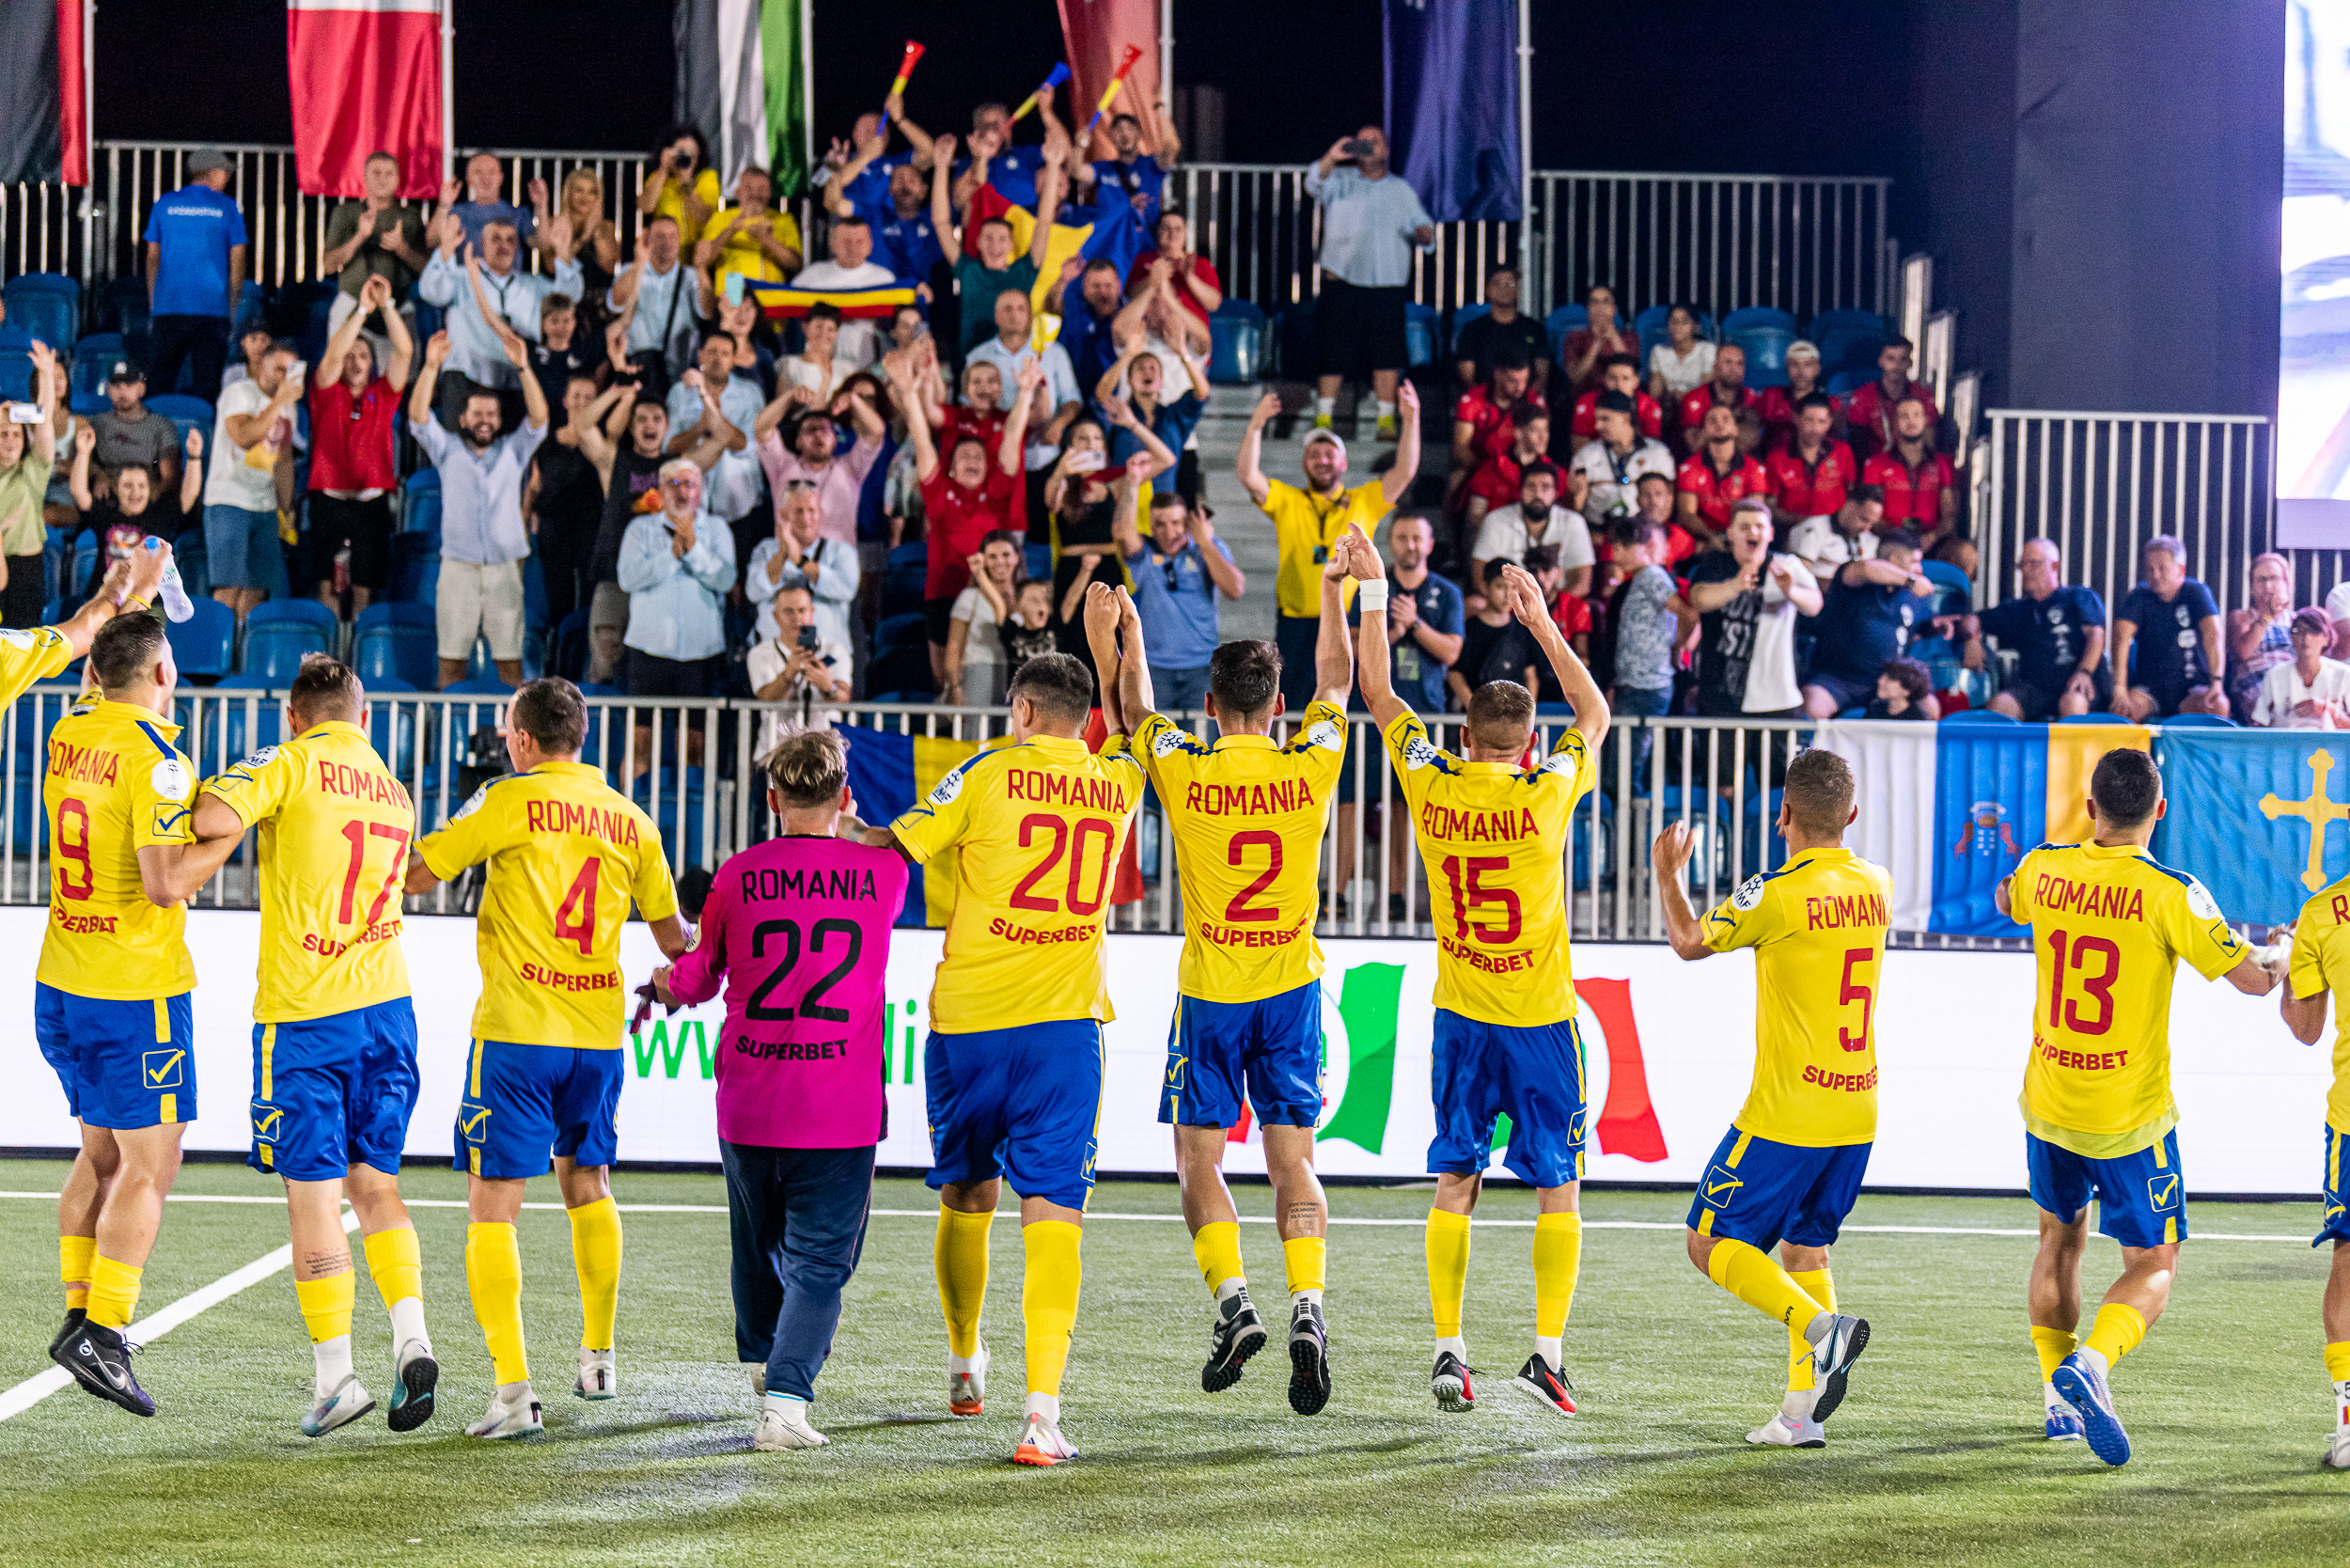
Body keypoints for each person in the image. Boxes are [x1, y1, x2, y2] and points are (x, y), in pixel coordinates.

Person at [838, 646, 1145, 1466]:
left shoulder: (985, 775)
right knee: (1054, 1210)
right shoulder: (1119, 782)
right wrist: (1121, 644)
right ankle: (1041, 1418)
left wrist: (842, 826)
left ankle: (965, 1361)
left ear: (1020, 713)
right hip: (1063, 1032)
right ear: (1085, 720)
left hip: (968, 1024)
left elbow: (890, 846)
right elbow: (1139, 723)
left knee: (968, 1192)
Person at [1350, 539, 1607, 1416]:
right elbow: (1596, 715)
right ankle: (1546, 1354)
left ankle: (1449, 1350)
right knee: (1557, 1185)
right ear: (1531, 742)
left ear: (1465, 736)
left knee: (1456, 1180)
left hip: (1461, 1015)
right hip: (1539, 1019)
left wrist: (1374, 586)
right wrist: (1540, 626)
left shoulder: (1435, 782)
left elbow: (1380, 693)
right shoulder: (1548, 790)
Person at [401, 677, 687, 1438]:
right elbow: (673, 939)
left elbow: (419, 874)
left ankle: (513, 1393)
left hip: (517, 1034)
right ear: (581, 737)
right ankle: (599, 1356)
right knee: (587, 1182)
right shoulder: (632, 819)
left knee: (493, 1207)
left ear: (522, 740)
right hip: (596, 1036)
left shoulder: (506, 800)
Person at [1104, 541, 1351, 1415]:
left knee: (1196, 1160)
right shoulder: (1309, 763)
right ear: (1278, 708)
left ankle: (1235, 1303)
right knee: (1295, 1162)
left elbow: (1134, 708)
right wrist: (1331, 587)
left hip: (1212, 990)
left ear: (1209, 707)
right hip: (1290, 990)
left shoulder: (1188, 764)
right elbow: (1338, 680)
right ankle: (1308, 1308)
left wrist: (1130, 634)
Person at [1995, 747, 2279, 1465]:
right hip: (2131, 1119)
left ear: (2091, 808)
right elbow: (2249, 980)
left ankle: (2058, 1404)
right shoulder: (2172, 892)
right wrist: (2275, 955)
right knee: (2155, 1259)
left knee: (2059, 1243)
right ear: (2159, 811)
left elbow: (2007, 897)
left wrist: (2032, 881)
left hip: (2052, 1103)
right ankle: (2091, 1364)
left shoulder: (2046, 867)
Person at [194, 654, 439, 1438]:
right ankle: (413, 1339)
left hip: (307, 1016)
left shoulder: (290, 761)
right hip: (389, 1011)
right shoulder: (393, 788)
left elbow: (210, 820)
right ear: (362, 718)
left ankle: (336, 1375)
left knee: (313, 1193)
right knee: (377, 1186)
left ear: (295, 716)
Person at [647, 730, 907, 1450]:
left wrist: (666, 984)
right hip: (839, 1105)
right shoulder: (883, 876)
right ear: (845, 797)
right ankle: (786, 1402)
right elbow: (896, 847)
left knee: (756, 1243)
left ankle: (766, 1360)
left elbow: (697, 980)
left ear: (770, 800)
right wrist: (851, 825)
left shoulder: (736, 873)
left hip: (751, 1097)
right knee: (823, 1260)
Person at [1652, 750, 1885, 1449]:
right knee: (1804, 1251)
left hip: (1790, 1113)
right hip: (1859, 1108)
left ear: (1782, 815)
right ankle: (1799, 1417)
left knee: (1707, 1242)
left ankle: (1824, 1330)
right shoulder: (1878, 883)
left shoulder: (1776, 890)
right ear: (1850, 814)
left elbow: (1690, 943)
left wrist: (1668, 875)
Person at [38, 596, 236, 1418]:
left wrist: (132, 587)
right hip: (134, 992)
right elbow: (165, 882)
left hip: (62, 980)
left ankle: (84, 1315)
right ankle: (106, 1331)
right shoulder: (158, 760)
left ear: (94, 676)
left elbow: (96, 677)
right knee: (150, 1164)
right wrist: (231, 832)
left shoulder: (68, 733)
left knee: (103, 1158)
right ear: (163, 673)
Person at [1238, 387, 1419, 711]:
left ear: (1344, 462)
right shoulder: (1287, 499)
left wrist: (1412, 418)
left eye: (1329, 454)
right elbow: (1248, 476)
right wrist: (1255, 425)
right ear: (1304, 463)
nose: (1321, 460)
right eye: (1313, 454)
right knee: (1293, 707)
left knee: (1347, 706)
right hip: (1296, 622)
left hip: (1349, 623)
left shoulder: (1364, 500)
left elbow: (1404, 471)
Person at [407, 324, 548, 688]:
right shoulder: (448, 449)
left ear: (500, 421)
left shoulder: (513, 452)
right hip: (458, 568)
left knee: (511, 671)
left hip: (504, 570)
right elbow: (419, 419)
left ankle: (513, 743)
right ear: (463, 419)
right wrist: (430, 367)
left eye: (492, 414)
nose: (485, 420)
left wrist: (524, 368)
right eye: (478, 414)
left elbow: (540, 420)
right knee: (451, 666)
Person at [2279, 850, 2350, 1468]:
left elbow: (2305, 1027)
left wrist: (2283, 968)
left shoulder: (2322, 914)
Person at [907, 353, 1035, 684]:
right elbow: (923, 440)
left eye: (978, 456)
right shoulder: (938, 492)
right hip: (943, 593)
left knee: (1002, 674)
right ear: (950, 467)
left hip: (989, 595)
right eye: (963, 456)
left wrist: (1024, 393)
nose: (972, 460)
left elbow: (1011, 437)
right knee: (945, 683)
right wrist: (909, 393)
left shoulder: (997, 491)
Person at [1305, 128, 1434, 440]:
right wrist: (1333, 156)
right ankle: (1324, 417)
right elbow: (1313, 183)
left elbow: (1424, 227)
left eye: (1373, 141)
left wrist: (1424, 234)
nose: (1366, 146)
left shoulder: (1401, 190)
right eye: (1361, 141)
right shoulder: (1340, 181)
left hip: (1385, 286)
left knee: (1386, 353)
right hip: (1342, 282)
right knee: (1332, 351)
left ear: (1386, 150)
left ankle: (1386, 421)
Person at [619, 459, 737, 767]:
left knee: (695, 747)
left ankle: (691, 813)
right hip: (649, 648)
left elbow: (725, 579)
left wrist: (694, 549)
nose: (682, 491)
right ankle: (631, 812)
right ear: (660, 490)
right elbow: (628, 578)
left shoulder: (717, 529)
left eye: (690, 484)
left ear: (700, 492)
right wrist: (672, 552)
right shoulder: (639, 529)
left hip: (701, 651)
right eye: (674, 484)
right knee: (639, 744)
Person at [308, 275, 414, 614]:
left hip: (371, 502)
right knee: (327, 586)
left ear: (372, 364)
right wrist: (363, 309)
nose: (354, 362)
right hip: (329, 499)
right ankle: (327, 665)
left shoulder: (383, 394)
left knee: (364, 589)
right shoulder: (325, 391)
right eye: (350, 356)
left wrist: (387, 306)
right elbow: (333, 353)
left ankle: (357, 663)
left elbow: (405, 351)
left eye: (364, 356)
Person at [418, 216, 583, 417]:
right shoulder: (464, 276)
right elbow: (431, 292)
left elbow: (571, 296)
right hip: (466, 377)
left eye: (510, 240)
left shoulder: (533, 285)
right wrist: (446, 250)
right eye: (495, 239)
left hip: (516, 383)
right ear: (482, 245)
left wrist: (562, 250)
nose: (503, 245)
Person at [1677, 497, 1823, 719]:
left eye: (1759, 526)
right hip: (1721, 697)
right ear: (1731, 533)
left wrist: (1790, 591)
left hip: (1777, 698)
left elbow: (1815, 605)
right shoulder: (1716, 564)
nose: (1752, 531)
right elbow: (1698, 599)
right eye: (1744, 527)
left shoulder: (1787, 565)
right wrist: (1735, 585)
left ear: (1771, 533)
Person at [1112, 469, 1244, 712]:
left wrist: (1204, 542)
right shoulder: (1147, 552)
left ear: (1188, 522)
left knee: (1202, 743)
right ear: (1151, 526)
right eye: (1159, 525)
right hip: (1154, 666)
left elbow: (1235, 590)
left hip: (1202, 665)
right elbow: (1122, 532)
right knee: (1156, 742)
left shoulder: (1207, 549)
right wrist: (1132, 483)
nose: (1169, 532)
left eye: (1176, 523)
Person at [933, 130, 1067, 353]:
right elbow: (941, 222)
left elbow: (1044, 221)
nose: (995, 245)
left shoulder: (1024, 271)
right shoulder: (968, 269)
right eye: (989, 238)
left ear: (1010, 245)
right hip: (973, 368)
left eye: (1002, 239)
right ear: (978, 243)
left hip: (1017, 364)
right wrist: (940, 167)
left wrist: (1053, 166)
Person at [203, 336, 300, 621]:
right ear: (263, 365)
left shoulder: (288, 406)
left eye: (290, 370)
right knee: (227, 589)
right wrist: (277, 403)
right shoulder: (238, 393)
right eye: (279, 368)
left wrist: (286, 507)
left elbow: (283, 461)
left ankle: (240, 656)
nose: (284, 376)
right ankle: (212, 657)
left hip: (265, 505)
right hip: (229, 500)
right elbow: (244, 437)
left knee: (257, 590)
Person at [1801, 528, 1940, 719]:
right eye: (1914, 562)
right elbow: (1867, 569)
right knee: (1813, 705)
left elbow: (1927, 627)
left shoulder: (1913, 597)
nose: (1919, 570)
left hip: (1889, 682)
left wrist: (1943, 626)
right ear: (1893, 559)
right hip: (1838, 679)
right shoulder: (1855, 579)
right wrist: (1910, 580)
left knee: (1930, 708)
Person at [143, 149, 247, 399]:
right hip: (212, 311)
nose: (228, 178)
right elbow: (239, 258)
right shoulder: (227, 207)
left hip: (168, 309)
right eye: (226, 172)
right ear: (212, 172)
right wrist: (232, 307)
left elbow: (152, 258)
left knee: (158, 387)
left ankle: (158, 436)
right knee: (208, 389)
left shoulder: (164, 204)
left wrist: (153, 304)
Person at [1970, 537, 2109, 721]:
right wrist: (1970, 639)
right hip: (2032, 690)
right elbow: (1972, 619)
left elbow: (2096, 635)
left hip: (2076, 685)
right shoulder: (2017, 609)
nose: (2026, 571)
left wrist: (2084, 672)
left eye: (2034, 564)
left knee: (2073, 704)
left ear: (2054, 566)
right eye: (2022, 565)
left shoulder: (2078, 597)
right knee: (2000, 705)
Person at [321, 151, 431, 372]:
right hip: (353, 302)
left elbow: (427, 270)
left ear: (398, 178)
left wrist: (401, 248)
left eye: (389, 173)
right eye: (376, 173)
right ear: (365, 177)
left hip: (397, 306)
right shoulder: (346, 212)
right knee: (341, 371)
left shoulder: (410, 216)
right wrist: (359, 237)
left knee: (403, 375)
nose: (382, 178)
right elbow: (329, 264)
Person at [754, 381, 887, 551]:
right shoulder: (782, 467)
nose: (818, 434)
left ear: (834, 440)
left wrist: (854, 400)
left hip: (838, 566)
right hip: (792, 565)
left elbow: (876, 431)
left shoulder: (851, 468)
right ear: (798, 442)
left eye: (824, 430)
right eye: (810, 430)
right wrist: (788, 397)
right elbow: (761, 428)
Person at [666, 342, 766, 569]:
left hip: (740, 502)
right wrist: (701, 427)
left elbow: (744, 444)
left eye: (724, 353)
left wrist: (706, 401)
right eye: (711, 351)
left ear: (733, 359)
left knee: (738, 575)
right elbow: (670, 447)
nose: (717, 358)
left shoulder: (750, 392)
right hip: (693, 502)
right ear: (700, 355)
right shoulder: (679, 392)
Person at [527, 375, 611, 635]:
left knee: (590, 598)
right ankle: (557, 660)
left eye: (589, 397)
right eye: (576, 396)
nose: (582, 402)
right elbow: (533, 487)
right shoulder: (546, 441)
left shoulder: (604, 444)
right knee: (558, 598)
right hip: (553, 528)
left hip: (591, 528)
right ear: (565, 400)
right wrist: (524, 521)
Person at [2110, 535, 2227, 721]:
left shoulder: (2197, 592)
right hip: (2148, 689)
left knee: (2218, 705)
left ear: (2180, 569)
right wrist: (2119, 689)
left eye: (2162, 568)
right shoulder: (2139, 596)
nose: (2155, 575)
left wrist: (2216, 683)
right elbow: (2120, 638)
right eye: (2150, 569)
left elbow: (2213, 634)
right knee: (2120, 711)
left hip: (2192, 688)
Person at [70, 423, 203, 575]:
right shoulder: (104, 514)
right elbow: (78, 491)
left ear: (149, 489)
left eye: (141, 486)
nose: (135, 492)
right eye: (127, 485)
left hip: (146, 598)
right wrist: (83, 453)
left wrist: (194, 457)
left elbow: (189, 496)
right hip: (108, 595)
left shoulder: (160, 515)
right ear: (117, 489)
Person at [1607, 515, 1683, 783]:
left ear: (1641, 546)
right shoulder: (1641, 578)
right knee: (1622, 767)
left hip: (1647, 685)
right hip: (1635, 683)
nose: (1614, 554)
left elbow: (1686, 612)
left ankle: (1628, 822)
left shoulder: (1652, 576)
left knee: (1626, 770)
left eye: (1620, 547)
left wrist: (1677, 648)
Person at [746, 481, 861, 653]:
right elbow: (754, 592)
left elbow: (846, 589)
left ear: (821, 514)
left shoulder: (841, 551)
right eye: (798, 511)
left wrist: (800, 560)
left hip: (827, 657)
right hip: (774, 657)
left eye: (811, 510)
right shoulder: (766, 550)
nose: (806, 518)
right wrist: (781, 556)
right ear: (784, 516)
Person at [747, 583, 853, 759]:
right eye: (789, 611)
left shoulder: (834, 651)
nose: (797, 618)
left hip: (823, 755)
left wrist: (827, 687)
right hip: (775, 753)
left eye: (802, 610)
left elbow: (844, 698)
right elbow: (766, 697)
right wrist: (789, 672)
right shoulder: (760, 653)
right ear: (775, 616)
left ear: (812, 612)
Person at [1861, 397, 1963, 572]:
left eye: (1916, 415)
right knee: (1897, 555)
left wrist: (1932, 537)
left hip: (1933, 538)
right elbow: (1871, 516)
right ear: (1895, 422)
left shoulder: (1942, 464)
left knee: (1965, 554)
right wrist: (1896, 534)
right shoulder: (1876, 464)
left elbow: (1949, 514)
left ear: (1925, 421)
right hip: (1891, 538)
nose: (1911, 421)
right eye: (1904, 416)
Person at [1449, 346, 1545, 527]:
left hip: (1522, 465)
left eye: (1524, 380)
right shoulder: (1472, 400)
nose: (1520, 387)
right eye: (1513, 381)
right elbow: (1461, 451)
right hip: (1482, 464)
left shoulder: (1534, 401)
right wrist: (1490, 469)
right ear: (1498, 374)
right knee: (1455, 481)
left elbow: (1541, 445)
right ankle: (1453, 546)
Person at [791, 216, 902, 368]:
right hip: (820, 365)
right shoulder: (810, 278)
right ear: (833, 244)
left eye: (859, 242)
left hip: (871, 366)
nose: (853, 248)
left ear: (870, 245)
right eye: (847, 241)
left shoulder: (885, 280)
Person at [1472, 462, 1593, 598]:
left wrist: (1545, 611)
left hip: (1555, 608)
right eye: (1531, 486)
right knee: (1476, 603)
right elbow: (1479, 580)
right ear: (1520, 490)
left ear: (1556, 493)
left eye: (1545, 487)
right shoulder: (1495, 520)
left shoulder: (1574, 522)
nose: (1538, 494)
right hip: (1508, 606)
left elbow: (1582, 584)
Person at [968, 289, 1080, 434]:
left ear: (1030, 315)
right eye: (1008, 309)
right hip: (995, 444)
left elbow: (1071, 398)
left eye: (1021, 309)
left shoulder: (1054, 352)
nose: (1015, 315)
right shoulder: (977, 356)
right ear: (996, 316)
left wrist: (1060, 424)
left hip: (1043, 449)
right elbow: (968, 405)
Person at [1568, 390, 1676, 533]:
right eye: (1597, 420)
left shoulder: (1657, 454)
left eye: (1605, 419)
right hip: (1597, 533)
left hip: (1644, 532)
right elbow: (1571, 508)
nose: (1597, 426)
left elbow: (1668, 504)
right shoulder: (1586, 455)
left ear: (1625, 418)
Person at [609, 218, 697, 387]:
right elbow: (616, 301)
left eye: (673, 236)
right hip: (638, 365)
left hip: (679, 370)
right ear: (647, 239)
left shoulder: (690, 276)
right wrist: (640, 263)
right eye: (661, 236)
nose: (667, 242)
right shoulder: (631, 270)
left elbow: (706, 313)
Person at [696, 165, 804, 303]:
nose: (755, 194)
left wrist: (767, 240)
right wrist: (731, 230)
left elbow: (796, 265)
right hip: (731, 301)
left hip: (768, 303)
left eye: (761, 189)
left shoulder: (784, 220)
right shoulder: (720, 218)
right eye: (749, 188)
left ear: (769, 193)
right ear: (737, 192)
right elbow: (702, 260)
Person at [88, 359, 184, 510]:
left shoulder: (161, 426)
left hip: (146, 502)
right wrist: (98, 474)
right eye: (117, 386)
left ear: (141, 388)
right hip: (106, 502)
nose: (123, 392)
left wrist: (138, 500)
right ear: (108, 389)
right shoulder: (96, 423)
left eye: (129, 385)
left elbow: (170, 479)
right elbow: (81, 461)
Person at [1676, 404, 1772, 554]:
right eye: (1712, 421)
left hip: (1741, 538)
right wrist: (1711, 537)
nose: (1719, 424)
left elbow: (1755, 512)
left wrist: (1734, 538)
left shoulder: (1753, 468)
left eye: (1726, 419)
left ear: (1735, 429)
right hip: (1704, 539)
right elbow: (1687, 515)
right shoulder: (1689, 466)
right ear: (1704, 431)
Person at [946, 531, 1024, 705]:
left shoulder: (1026, 597)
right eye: (992, 557)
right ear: (984, 561)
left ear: (1016, 558)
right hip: (977, 672)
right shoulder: (969, 596)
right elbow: (954, 645)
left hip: (1017, 675)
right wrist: (954, 687)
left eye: (1005, 555)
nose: (1000, 562)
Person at [1450, 558, 1541, 708]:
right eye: (1500, 586)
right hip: (1480, 715)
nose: (1507, 594)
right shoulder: (1469, 629)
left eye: (1513, 588)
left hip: (1515, 715)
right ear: (1485, 587)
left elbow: (1531, 675)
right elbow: (1455, 674)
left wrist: (1528, 712)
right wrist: (1474, 708)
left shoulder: (1524, 629)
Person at [1077, 104, 1183, 228]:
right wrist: (1079, 147)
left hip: (1145, 244)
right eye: (1118, 130)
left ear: (1139, 134)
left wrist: (1161, 113)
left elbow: (1172, 148)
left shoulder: (1152, 165)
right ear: (1111, 137)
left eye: (1130, 128)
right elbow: (1077, 171)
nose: (1124, 133)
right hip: (1115, 242)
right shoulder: (1103, 168)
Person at [1765, 394, 1858, 528]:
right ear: (1796, 419)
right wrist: (1801, 521)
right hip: (1793, 529)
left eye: (1821, 421)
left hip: (1835, 530)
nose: (1815, 428)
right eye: (1809, 420)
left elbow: (1851, 495)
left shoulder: (1843, 452)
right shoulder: (1776, 458)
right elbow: (1771, 506)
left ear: (1829, 422)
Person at [1122, 209, 1222, 330]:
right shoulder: (1142, 260)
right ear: (1158, 231)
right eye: (1166, 228)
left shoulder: (1200, 264)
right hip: (1150, 336)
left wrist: (1190, 277)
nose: (1172, 233)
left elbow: (1213, 304)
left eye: (1178, 229)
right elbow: (1130, 297)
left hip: (1192, 337)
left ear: (1185, 233)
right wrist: (1154, 279)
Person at [2250, 607, 2350, 728]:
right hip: (2286, 744)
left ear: (2326, 638)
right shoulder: (2274, 676)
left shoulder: (2344, 674)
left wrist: (2327, 710)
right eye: (2298, 630)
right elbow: (2260, 724)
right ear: (2291, 637)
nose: (2306, 637)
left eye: (2314, 631)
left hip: (2329, 745)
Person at [1454, 266, 1549, 393]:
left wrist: (1524, 405)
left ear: (1518, 289)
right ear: (1487, 289)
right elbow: (1467, 378)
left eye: (1511, 283)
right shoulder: (1472, 330)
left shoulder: (1534, 329)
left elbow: (1541, 376)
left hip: (1524, 405)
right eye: (1497, 283)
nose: (1504, 289)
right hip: (1484, 404)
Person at [2228, 553, 2298, 722]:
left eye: (2274, 578)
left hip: (2293, 690)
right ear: (2251, 587)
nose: (2268, 585)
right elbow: (2243, 652)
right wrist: (2265, 617)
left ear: (2286, 583)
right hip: (2255, 692)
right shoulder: (2240, 618)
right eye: (2261, 580)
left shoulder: (2297, 620)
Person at [1843, 337, 1937, 460]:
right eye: (1891, 359)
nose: (1896, 365)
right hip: (1874, 469)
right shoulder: (1863, 397)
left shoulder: (1923, 395)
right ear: (1881, 361)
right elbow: (1858, 449)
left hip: (1911, 467)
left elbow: (1929, 443)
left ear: (1910, 363)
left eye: (1902, 359)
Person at [433, 150, 537, 257]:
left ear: (500, 178)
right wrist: (444, 205)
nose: (485, 178)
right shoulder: (459, 213)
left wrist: (541, 206)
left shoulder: (517, 214)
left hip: (506, 273)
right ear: (469, 179)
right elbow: (432, 241)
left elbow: (540, 244)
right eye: (478, 172)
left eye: (491, 172)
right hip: (467, 272)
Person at [1786, 484, 1885, 584]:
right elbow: (1799, 575)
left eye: (1872, 524)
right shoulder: (1815, 527)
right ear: (1849, 506)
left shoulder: (1868, 538)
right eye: (1864, 519)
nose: (1867, 528)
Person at [1754, 340, 1843, 450]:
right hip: (1775, 464)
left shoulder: (1831, 404)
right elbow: (1750, 434)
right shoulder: (1772, 397)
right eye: (1795, 365)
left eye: (1808, 364)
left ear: (1817, 369)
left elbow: (1838, 444)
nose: (1801, 372)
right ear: (1786, 367)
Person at [638, 125, 722, 237]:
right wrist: (663, 170)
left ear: (698, 158)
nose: (684, 158)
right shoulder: (659, 178)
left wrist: (686, 182)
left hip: (696, 249)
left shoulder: (707, 178)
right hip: (666, 247)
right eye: (680, 153)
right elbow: (645, 207)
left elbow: (705, 217)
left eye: (690, 154)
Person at [1559, 284, 1638, 398]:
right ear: (1587, 309)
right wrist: (1597, 343)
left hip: (1621, 399)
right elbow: (1574, 377)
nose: (1600, 307)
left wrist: (1614, 336)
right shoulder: (1574, 337)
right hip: (1583, 399)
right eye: (1594, 302)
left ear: (1614, 309)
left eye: (1606, 302)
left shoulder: (1629, 337)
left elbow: (1633, 374)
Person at [1676, 342, 1756, 449]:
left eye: (1739, 363)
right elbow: (1694, 445)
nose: (1734, 368)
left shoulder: (1750, 397)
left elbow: (1751, 441)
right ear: (1715, 367)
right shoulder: (1694, 398)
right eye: (1728, 362)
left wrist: (1713, 429)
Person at [1567, 354, 1662, 444]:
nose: (1619, 384)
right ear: (1604, 379)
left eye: (1625, 378)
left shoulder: (1649, 406)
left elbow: (1652, 449)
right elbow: (1580, 450)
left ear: (1636, 381)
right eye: (1612, 378)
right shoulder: (1587, 402)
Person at [1646, 305, 1716, 406]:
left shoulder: (1707, 350)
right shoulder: (1658, 351)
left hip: (1697, 406)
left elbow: (1706, 390)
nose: (1678, 326)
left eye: (1684, 322)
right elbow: (1655, 392)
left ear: (1695, 326)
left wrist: (1684, 397)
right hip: (1669, 406)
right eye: (1674, 321)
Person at [1864, 655, 1934, 719]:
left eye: (1889, 679)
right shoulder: (1875, 709)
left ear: (1906, 690)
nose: (1880, 681)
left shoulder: (1917, 718)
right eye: (1883, 676)